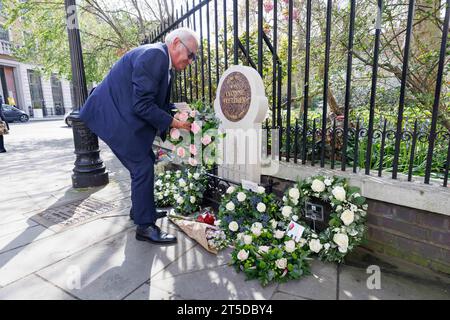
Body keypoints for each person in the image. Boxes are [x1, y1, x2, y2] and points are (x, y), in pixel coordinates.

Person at [80, 28, 198, 245]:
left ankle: (142, 210)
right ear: (176, 44)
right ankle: (145, 226)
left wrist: (179, 110)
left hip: (119, 115)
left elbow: (155, 101)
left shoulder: (162, 60)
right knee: (142, 167)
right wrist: (175, 123)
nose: (191, 61)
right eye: (190, 54)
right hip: (112, 117)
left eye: (194, 57)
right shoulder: (155, 56)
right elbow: (142, 105)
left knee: (147, 161)